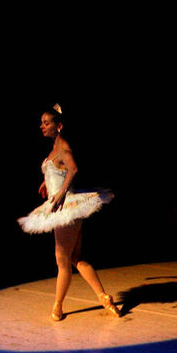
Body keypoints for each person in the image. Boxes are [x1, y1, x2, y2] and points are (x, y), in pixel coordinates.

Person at [18, 104, 120, 321]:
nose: (42, 126)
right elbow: (59, 171)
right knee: (77, 257)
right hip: (62, 203)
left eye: (46, 123)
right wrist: (47, 184)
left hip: (65, 207)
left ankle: (58, 307)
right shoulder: (55, 147)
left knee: (62, 259)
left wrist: (61, 193)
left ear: (59, 126)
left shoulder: (63, 146)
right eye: (42, 123)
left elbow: (73, 169)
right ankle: (104, 298)